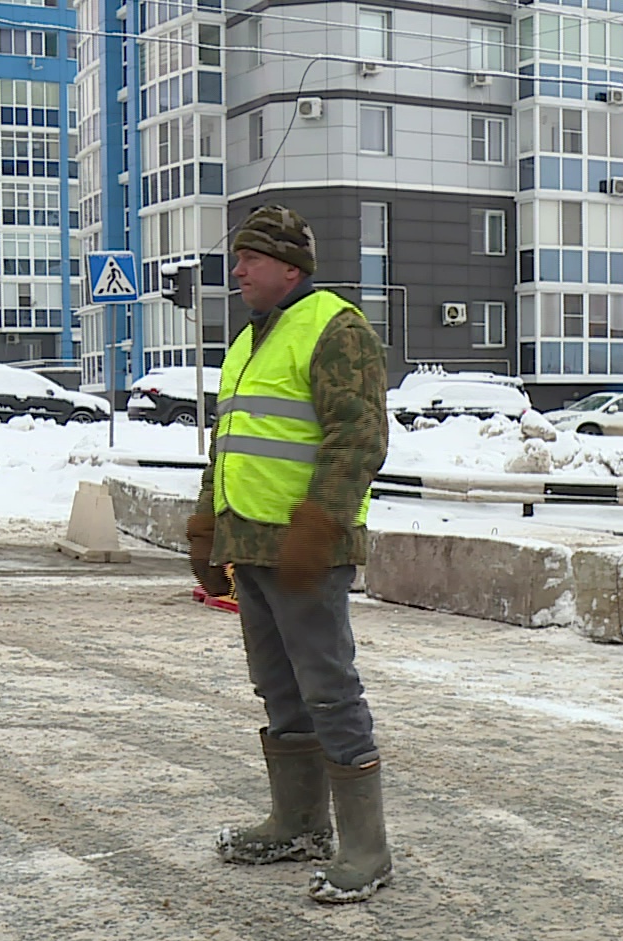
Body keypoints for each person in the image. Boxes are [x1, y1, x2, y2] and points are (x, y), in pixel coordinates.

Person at [186, 205, 392, 903]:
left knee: (329, 690)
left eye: (249, 259)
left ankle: (367, 848)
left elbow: (356, 440)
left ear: (289, 268)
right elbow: (232, 441)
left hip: (306, 549)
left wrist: (319, 525)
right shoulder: (249, 339)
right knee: (278, 688)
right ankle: (300, 822)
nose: (236, 271)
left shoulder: (335, 330)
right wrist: (207, 525)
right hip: (253, 544)